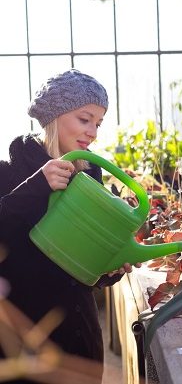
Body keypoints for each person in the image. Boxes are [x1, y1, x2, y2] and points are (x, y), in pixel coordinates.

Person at [0, 69, 140, 383]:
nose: (93, 132)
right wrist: (37, 186)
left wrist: (108, 268)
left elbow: (82, 273)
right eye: (84, 119)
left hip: (80, 342)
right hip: (24, 345)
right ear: (55, 116)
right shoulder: (7, 173)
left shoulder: (90, 176)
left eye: (98, 123)